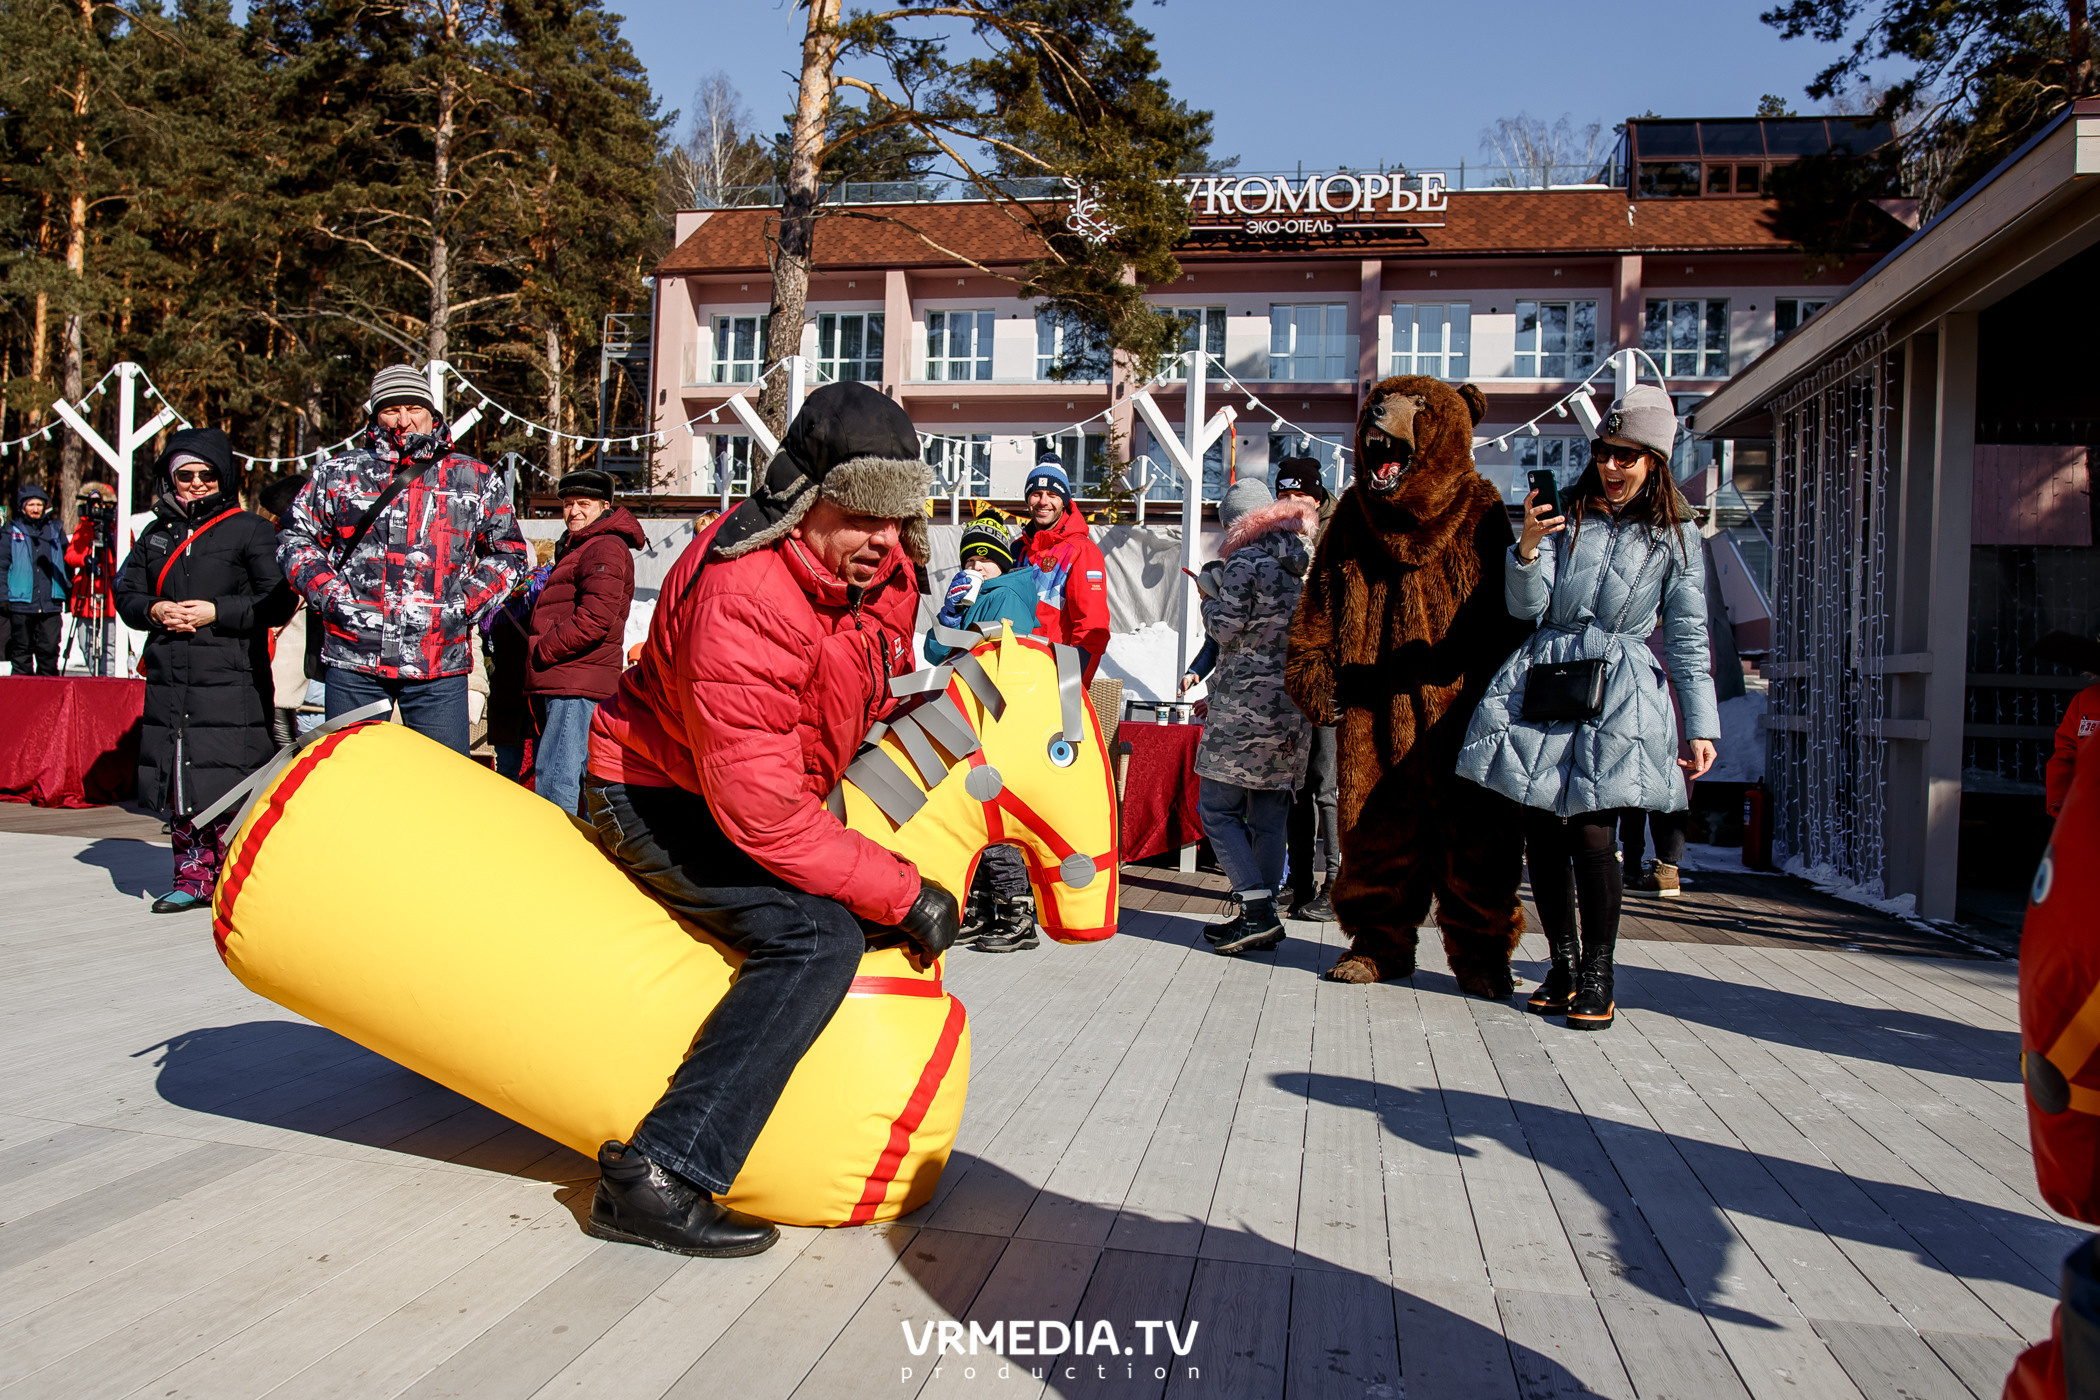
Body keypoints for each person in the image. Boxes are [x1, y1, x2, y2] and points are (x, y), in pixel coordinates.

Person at [581, 381, 959, 1258]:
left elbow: (861, 693)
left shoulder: (876, 569)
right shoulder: (744, 599)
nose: (885, 540)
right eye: (862, 515)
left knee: (852, 912)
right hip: (653, 790)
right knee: (815, 938)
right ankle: (661, 1172)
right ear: (802, 499)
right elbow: (765, 817)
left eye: (899, 519)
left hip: (759, 784)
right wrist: (903, 890)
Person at [1456, 386, 1719, 1031]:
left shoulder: (1678, 535)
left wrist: (1701, 722)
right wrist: (1525, 550)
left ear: (1655, 461)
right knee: (1542, 830)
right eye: (1606, 452)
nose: (1612, 466)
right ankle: (1563, 965)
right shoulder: (1566, 514)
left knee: (1595, 834)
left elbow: (1688, 635)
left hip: (1622, 688)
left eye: (1628, 457)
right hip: (1547, 675)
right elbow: (1526, 608)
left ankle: (1599, 973)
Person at [277, 364, 526, 753]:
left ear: (432, 412)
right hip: (354, 655)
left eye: (413, 408)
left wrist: (462, 605)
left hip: (438, 661)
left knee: (442, 784)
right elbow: (295, 537)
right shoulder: (338, 473)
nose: (404, 420)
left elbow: (509, 552)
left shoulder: (471, 477)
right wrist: (331, 595)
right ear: (375, 415)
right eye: (392, 409)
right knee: (353, 779)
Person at [114, 429, 294, 912]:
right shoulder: (155, 535)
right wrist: (155, 611)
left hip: (232, 675)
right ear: (169, 479)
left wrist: (218, 611)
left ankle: (238, 881)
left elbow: (278, 599)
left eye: (205, 474)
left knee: (234, 776)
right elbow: (125, 594)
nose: (195, 483)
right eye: (184, 475)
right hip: (171, 676)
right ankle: (191, 877)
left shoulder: (250, 530)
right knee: (180, 775)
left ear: (223, 477)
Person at [1196, 478, 1318, 956]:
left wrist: (1208, 597)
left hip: (1243, 707)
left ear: (1235, 522)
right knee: (1270, 816)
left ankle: (1257, 909)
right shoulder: (1304, 561)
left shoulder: (1244, 560)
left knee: (1218, 808)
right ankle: (1259, 921)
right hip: (1291, 707)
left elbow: (1225, 628)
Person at [926, 513, 1043, 953]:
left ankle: (1016, 911)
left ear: (1002, 564)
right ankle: (980, 905)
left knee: (991, 811)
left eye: (986, 561)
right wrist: (951, 612)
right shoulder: (975, 595)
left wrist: (961, 628)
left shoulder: (1007, 596)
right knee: (971, 810)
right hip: (965, 713)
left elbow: (996, 659)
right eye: (969, 560)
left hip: (993, 719)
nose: (976, 568)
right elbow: (936, 650)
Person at [525, 469, 644, 816]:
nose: (573, 511)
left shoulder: (603, 546)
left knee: (557, 781)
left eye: (583, 503)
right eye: (568, 503)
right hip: (573, 678)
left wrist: (544, 650)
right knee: (579, 778)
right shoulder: (585, 545)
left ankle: (553, 857)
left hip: (574, 682)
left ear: (605, 506)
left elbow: (595, 619)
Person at [1272, 457, 1340, 922]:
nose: (1295, 506)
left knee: (1325, 784)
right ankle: (1300, 882)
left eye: (1303, 497)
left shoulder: (1342, 535)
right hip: (1286, 679)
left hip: (1332, 678)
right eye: (1286, 497)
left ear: (1318, 497)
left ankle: (1336, 884)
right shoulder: (1275, 538)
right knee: (1293, 785)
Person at [1015, 454, 1112, 683]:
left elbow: (1093, 630)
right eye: (1036, 494)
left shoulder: (1081, 551)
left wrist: (1070, 685)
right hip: (1014, 677)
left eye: (1052, 494)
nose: (1043, 501)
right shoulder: (1017, 550)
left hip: (1053, 679)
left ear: (1065, 501)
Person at [4, 484, 70, 675]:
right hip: (20, 602)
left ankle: (50, 698)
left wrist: (68, 591)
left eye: (39, 504)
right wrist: (3, 597)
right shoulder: (11, 531)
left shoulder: (55, 530)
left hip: (50, 603)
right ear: (23, 506)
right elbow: (2, 565)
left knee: (49, 651)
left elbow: (66, 565)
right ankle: (22, 699)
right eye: (31, 504)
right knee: (21, 652)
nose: (35, 509)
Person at [63, 482, 121, 673]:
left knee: (110, 646)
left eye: (101, 503)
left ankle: (109, 681)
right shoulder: (83, 529)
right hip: (86, 597)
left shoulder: (118, 529)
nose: (97, 508)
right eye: (93, 503)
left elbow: (126, 557)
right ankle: (95, 676)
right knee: (85, 643)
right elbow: (70, 556)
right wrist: (85, 558)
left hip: (110, 598)